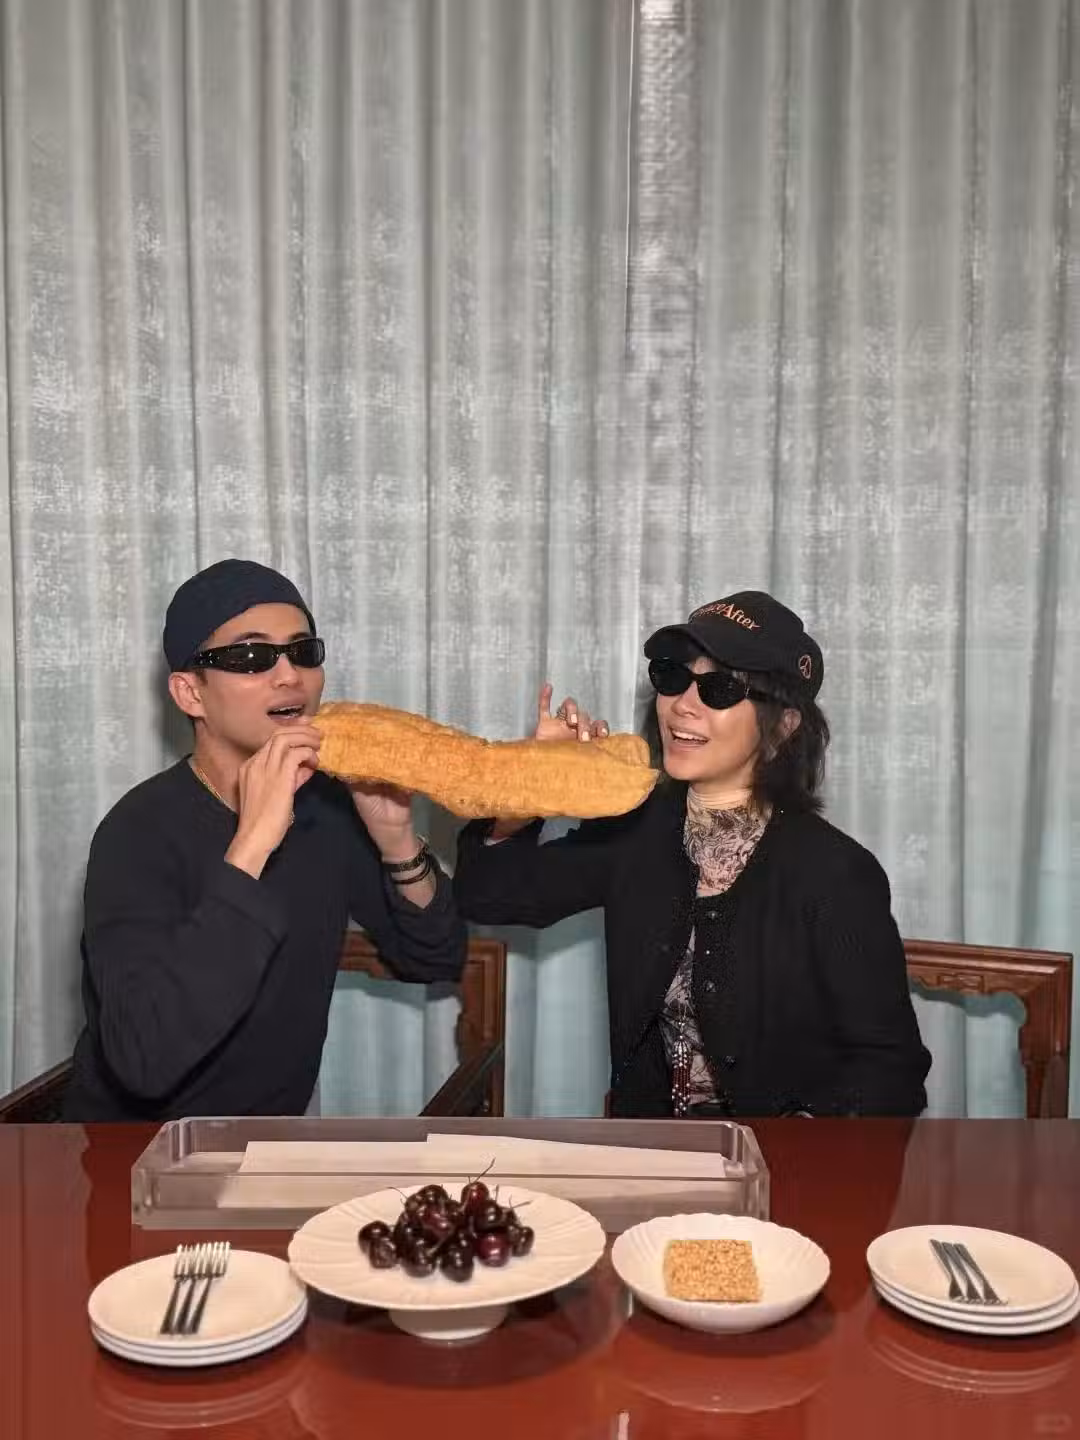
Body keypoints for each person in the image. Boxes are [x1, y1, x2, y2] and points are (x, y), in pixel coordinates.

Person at [455, 591, 931, 1119]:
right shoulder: (636, 831)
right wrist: (532, 784)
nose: (683, 703)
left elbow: (891, 1071)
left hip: (783, 1158)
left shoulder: (835, 873)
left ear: (782, 727)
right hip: (650, 1151)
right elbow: (486, 895)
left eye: (720, 688)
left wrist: (787, 1147)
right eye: (673, 676)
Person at [65, 559, 466, 1120]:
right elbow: (145, 1059)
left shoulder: (327, 808)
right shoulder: (136, 832)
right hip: (136, 1152)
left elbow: (436, 957)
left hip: (266, 1143)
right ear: (190, 693)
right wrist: (252, 843)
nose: (289, 676)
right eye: (252, 657)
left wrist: (397, 842)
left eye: (303, 652)